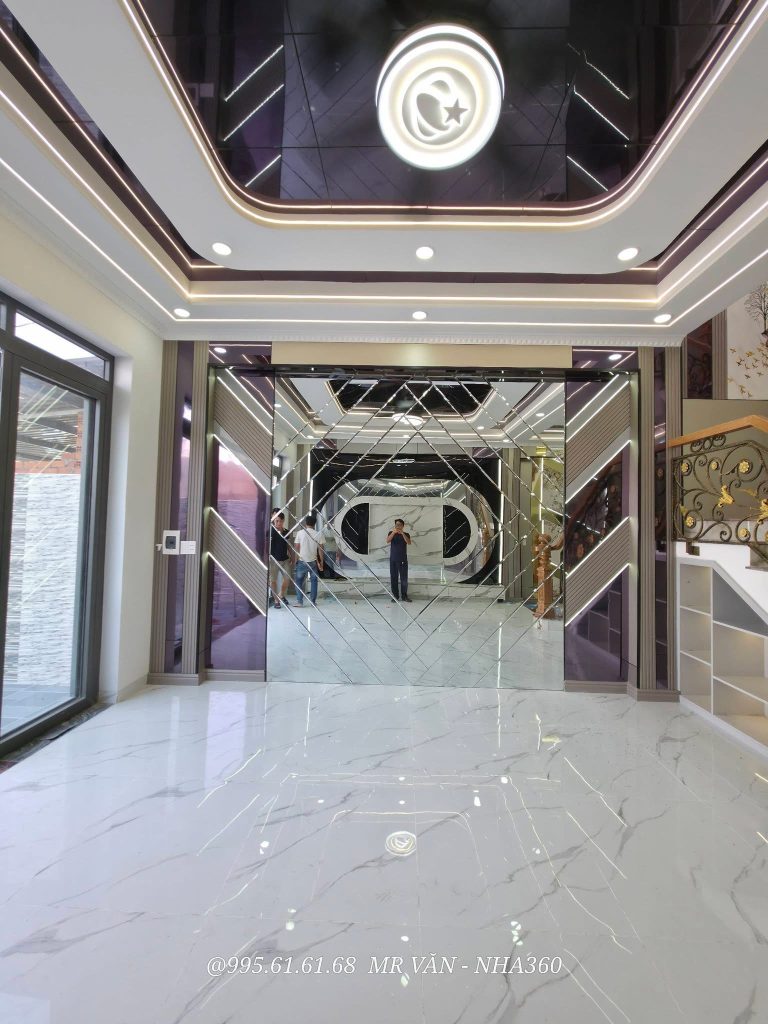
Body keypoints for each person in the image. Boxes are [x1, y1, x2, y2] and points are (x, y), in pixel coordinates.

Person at [293, 513, 324, 606]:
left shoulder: (300, 533)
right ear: (314, 524)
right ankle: (312, 601)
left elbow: (297, 548)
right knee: (314, 582)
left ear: (305, 523)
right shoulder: (319, 534)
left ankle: (299, 601)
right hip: (313, 561)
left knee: (299, 581)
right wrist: (321, 562)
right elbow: (321, 550)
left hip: (302, 561)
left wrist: (295, 559)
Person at [269, 511, 292, 608]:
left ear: (283, 521)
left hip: (285, 559)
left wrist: (292, 556)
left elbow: (288, 545)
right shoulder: (271, 530)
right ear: (274, 520)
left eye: (281, 521)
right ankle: (276, 600)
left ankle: (281, 594)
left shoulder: (286, 531)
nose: (279, 523)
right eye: (277, 521)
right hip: (273, 560)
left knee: (287, 578)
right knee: (273, 581)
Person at [386, 518, 411, 602]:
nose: (398, 526)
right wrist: (394, 532)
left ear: (403, 526)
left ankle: (404, 596)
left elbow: (409, 542)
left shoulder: (406, 534)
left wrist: (402, 533)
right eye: (396, 524)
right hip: (393, 559)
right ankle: (395, 596)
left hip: (403, 559)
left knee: (404, 579)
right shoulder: (391, 533)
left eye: (399, 525)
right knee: (394, 578)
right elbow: (388, 541)